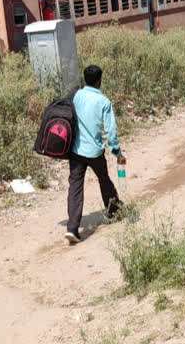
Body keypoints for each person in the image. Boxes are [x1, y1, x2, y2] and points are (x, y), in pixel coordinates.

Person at [66, 65, 126, 244]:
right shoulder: (104, 102)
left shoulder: (76, 95)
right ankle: (113, 210)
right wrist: (117, 153)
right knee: (104, 179)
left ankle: (72, 228)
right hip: (94, 152)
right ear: (99, 81)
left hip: (75, 151)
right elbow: (111, 132)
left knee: (75, 186)